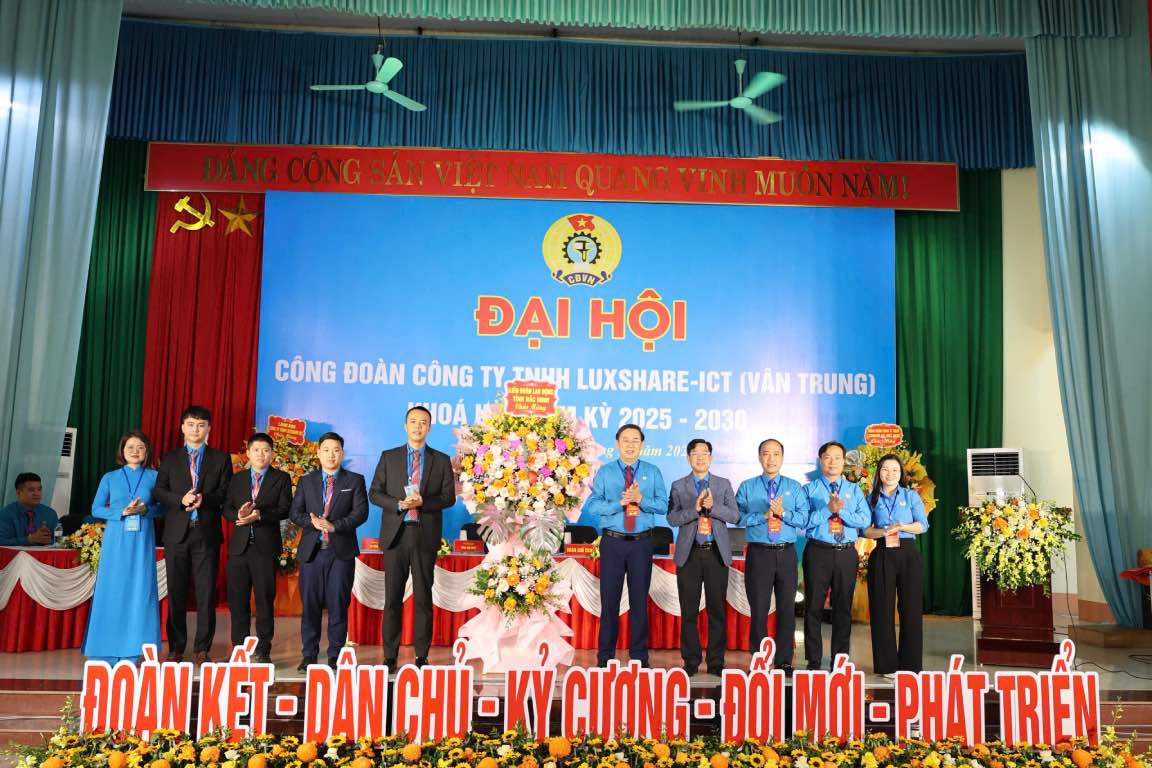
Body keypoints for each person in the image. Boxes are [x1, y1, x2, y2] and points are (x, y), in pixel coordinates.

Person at [370, 405, 456, 669]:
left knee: (422, 598)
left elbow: (448, 498)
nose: (418, 427)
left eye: (423, 423)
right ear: (405, 426)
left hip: (424, 536)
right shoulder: (389, 457)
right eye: (413, 422)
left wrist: (422, 502)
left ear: (429, 428)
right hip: (396, 536)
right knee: (392, 599)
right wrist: (399, 503)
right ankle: (390, 656)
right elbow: (375, 492)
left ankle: (421, 655)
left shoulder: (441, 460)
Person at [154, 405, 233, 663]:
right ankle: (177, 647)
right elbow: (159, 491)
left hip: (206, 533)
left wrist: (205, 499)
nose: (196, 429)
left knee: (206, 593)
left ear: (209, 428)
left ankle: (202, 648)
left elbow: (225, 494)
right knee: (176, 592)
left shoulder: (221, 459)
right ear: (182, 428)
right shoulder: (170, 458)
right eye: (191, 424)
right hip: (176, 533)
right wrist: (181, 499)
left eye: (201, 425)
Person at [587, 424, 668, 667]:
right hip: (613, 542)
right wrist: (618, 503)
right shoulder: (605, 472)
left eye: (635, 440)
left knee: (639, 602)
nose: (630, 445)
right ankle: (605, 657)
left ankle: (639, 657)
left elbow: (663, 505)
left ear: (642, 445)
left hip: (642, 544)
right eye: (625, 440)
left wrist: (641, 500)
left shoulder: (652, 472)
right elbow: (592, 505)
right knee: (609, 601)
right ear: (617, 443)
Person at [82, 431, 164, 663]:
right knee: (113, 588)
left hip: (142, 538)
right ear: (122, 451)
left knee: (141, 588)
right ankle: (104, 644)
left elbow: (164, 508)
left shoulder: (155, 477)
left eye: (140, 447)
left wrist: (146, 510)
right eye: (130, 447)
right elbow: (96, 509)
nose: (135, 451)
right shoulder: (110, 477)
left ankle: (138, 645)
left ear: (147, 452)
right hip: (116, 539)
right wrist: (121, 512)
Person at [290, 431, 368, 671]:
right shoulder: (307, 481)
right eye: (326, 450)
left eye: (336, 450)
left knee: (338, 604)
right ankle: (309, 655)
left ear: (342, 453)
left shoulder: (354, 480)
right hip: (312, 552)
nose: (331, 454)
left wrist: (335, 526)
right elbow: (295, 512)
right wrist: (311, 522)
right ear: (318, 453)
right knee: (310, 606)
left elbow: (360, 513)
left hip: (340, 553)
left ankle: (335, 654)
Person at [666, 438, 739, 676]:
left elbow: (735, 516)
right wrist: (695, 510)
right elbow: (672, 518)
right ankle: (691, 661)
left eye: (704, 453)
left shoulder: (723, 484)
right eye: (695, 453)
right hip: (689, 554)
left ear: (711, 457)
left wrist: (713, 506)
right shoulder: (679, 485)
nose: (700, 457)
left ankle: (716, 662)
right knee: (689, 611)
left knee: (717, 610)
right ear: (688, 458)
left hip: (716, 553)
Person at [736, 438, 807, 674]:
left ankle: (784, 660)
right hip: (759, 553)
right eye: (766, 454)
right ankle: (759, 659)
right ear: (759, 457)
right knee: (759, 608)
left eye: (776, 454)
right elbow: (737, 518)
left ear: (783, 458)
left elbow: (803, 519)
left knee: (787, 609)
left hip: (786, 553)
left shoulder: (794, 487)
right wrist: (764, 515)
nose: (771, 459)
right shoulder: (747, 487)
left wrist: (782, 513)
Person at [223, 432, 292, 664]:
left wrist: (259, 515)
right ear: (248, 453)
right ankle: (239, 650)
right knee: (238, 600)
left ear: (271, 454)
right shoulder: (237, 479)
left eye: (265, 450)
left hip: (264, 548)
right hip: (239, 549)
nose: (261, 454)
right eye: (256, 450)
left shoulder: (280, 478)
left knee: (264, 600)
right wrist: (239, 516)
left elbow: (285, 508)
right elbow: (227, 508)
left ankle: (263, 649)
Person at [801, 440, 871, 670]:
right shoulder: (808, 490)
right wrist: (826, 511)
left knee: (843, 608)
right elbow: (803, 522)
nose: (832, 462)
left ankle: (840, 660)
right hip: (817, 551)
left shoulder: (853, 490)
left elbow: (864, 521)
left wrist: (842, 511)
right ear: (821, 461)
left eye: (837, 458)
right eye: (827, 457)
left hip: (845, 554)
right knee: (813, 607)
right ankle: (813, 660)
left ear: (843, 462)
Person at [863, 454, 929, 676]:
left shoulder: (911, 496)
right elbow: (864, 530)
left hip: (908, 553)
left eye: (894, 470)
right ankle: (887, 666)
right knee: (881, 609)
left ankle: (911, 666)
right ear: (878, 473)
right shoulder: (871, 498)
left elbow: (923, 525)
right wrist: (882, 531)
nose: (889, 474)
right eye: (885, 469)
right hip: (882, 552)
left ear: (901, 474)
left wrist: (902, 526)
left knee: (911, 609)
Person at [0, 473, 58, 546]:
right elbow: (1, 541)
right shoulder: (5, 514)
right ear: (18, 493)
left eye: (39, 489)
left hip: (45, 556)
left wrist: (48, 540)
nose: (37, 494)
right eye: (31, 490)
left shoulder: (50, 514)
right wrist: (29, 540)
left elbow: (59, 540)